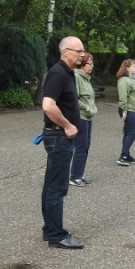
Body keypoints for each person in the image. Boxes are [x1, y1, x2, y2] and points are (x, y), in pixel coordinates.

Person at [40, 36, 86, 249]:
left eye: (82, 51)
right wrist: (67, 125)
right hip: (59, 137)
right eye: (78, 51)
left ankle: (50, 229)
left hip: (58, 137)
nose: (82, 55)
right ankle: (56, 235)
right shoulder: (58, 73)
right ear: (65, 51)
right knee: (57, 188)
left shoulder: (67, 73)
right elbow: (48, 105)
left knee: (52, 186)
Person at [70, 52, 97, 187]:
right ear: (82, 64)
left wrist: (92, 108)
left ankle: (79, 174)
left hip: (88, 116)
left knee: (86, 145)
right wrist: (86, 108)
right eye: (90, 63)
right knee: (81, 146)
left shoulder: (86, 78)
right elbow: (74, 98)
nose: (92, 66)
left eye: (92, 63)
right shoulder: (76, 77)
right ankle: (75, 177)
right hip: (81, 117)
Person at [116, 58, 135, 166]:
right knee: (133, 133)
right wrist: (124, 111)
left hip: (134, 108)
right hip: (129, 109)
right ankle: (123, 156)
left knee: (128, 132)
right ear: (127, 68)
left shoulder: (132, 79)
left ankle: (126, 154)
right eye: (133, 66)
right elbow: (123, 97)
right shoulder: (123, 81)